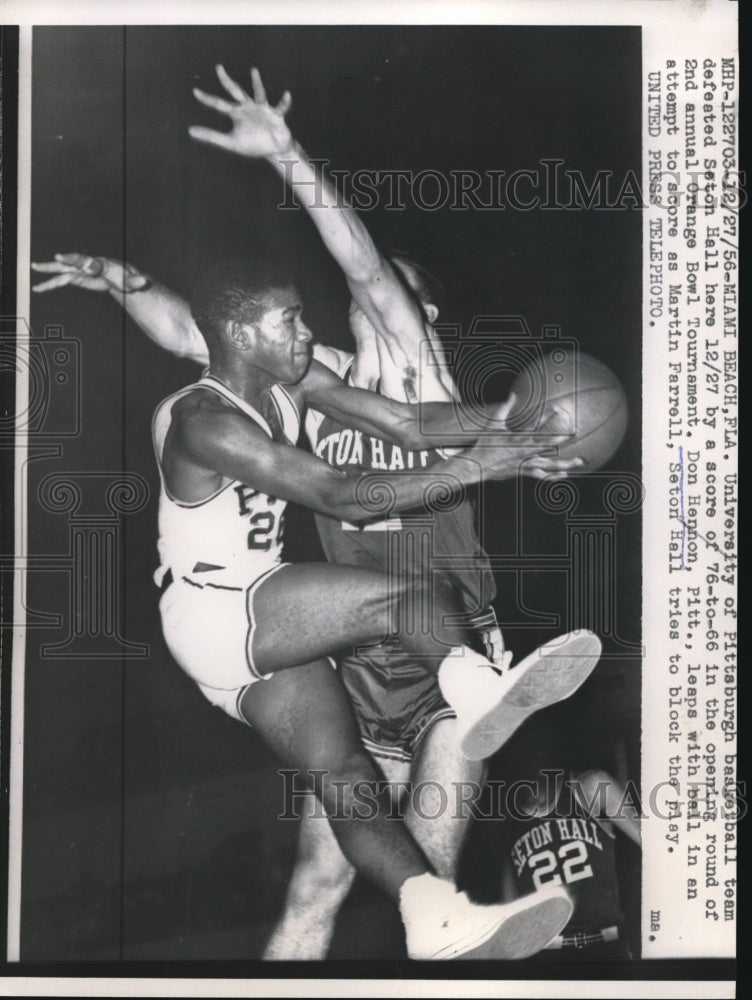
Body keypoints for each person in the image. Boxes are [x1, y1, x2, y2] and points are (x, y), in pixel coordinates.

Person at [30, 68, 603, 961]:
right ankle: (462, 743)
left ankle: (434, 900)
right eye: (298, 320)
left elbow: (370, 290)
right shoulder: (276, 393)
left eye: (385, 298)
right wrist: (129, 281)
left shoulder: (410, 368)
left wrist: (509, 430)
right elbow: (208, 340)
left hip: (402, 629)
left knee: (387, 825)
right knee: (323, 860)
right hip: (315, 631)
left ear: (424, 312)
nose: (340, 310)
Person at [501, 721, 641, 960]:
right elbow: (510, 913)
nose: (532, 750)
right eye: (521, 743)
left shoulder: (591, 786)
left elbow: (658, 845)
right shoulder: (504, 822)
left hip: (607, 949)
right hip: (547, 957)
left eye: (537, 740)